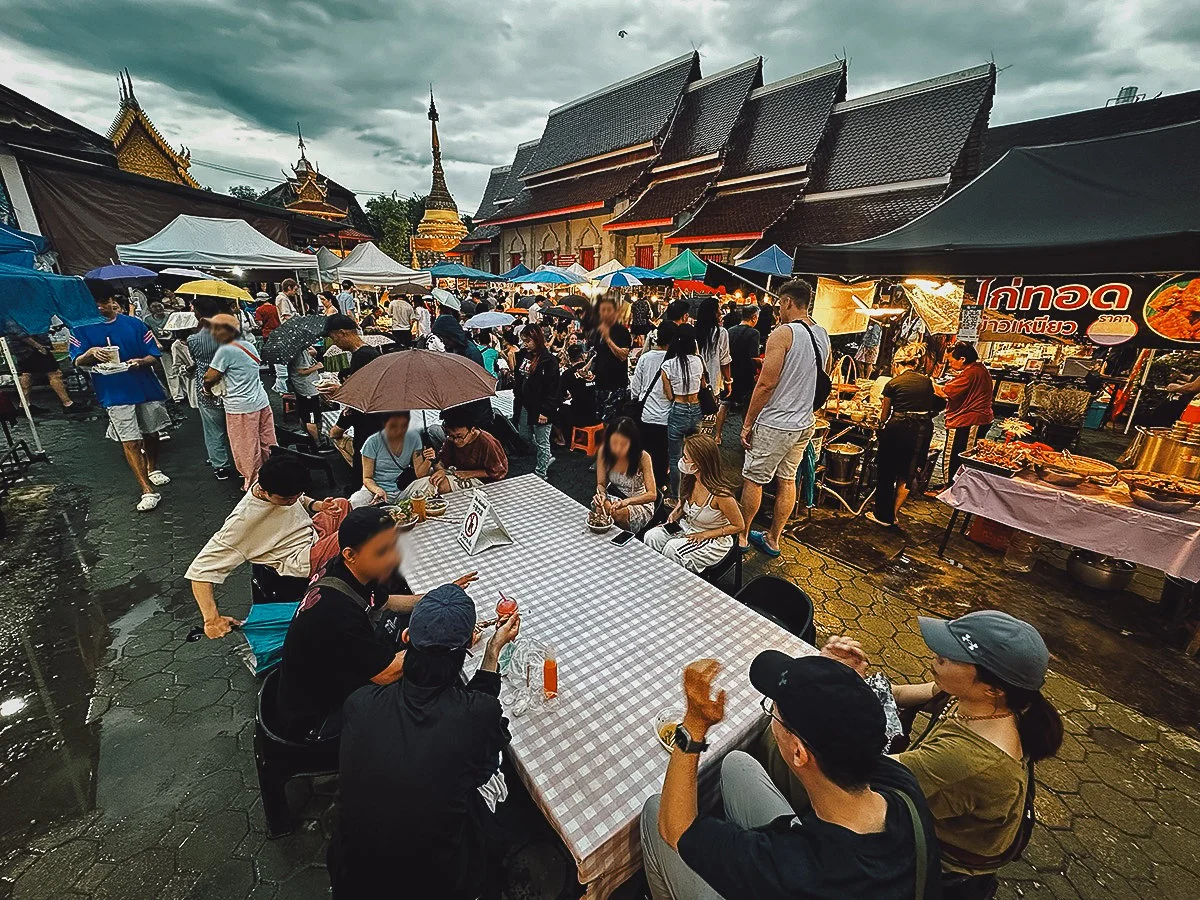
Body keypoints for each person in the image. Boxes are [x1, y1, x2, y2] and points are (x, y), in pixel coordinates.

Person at [640, 653, 940, 900]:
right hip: (820, 852)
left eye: (774, 712)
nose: (772, 717)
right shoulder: (900, 783)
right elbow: (850, 723)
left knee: (656, 812)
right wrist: (840, 687)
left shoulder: (796, 869)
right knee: (737, 764)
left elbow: (675, 827)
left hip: (798, 876)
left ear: (799, 752)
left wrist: (693, 727)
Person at [818, 611, 1062, 897]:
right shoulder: (986, 701)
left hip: (935, 867)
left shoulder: (966, 760)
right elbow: (901, 694)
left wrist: (824, 680)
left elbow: (856, 772)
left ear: (993, 689)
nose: (937, 656)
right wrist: (852, 680)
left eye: (951, 657)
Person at [330, 585, 519, 899]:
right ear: (465, 649)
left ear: (406, 640)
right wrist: (493, 654)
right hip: (436, 883)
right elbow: (481, 744)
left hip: (352, 877)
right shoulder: (475, 716)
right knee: (501, 794)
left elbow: (465, 715)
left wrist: (491, 652)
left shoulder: (359, 703)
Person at [276, 507, 408, 739]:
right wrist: (440, 635)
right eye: (382, 551)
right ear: (350, 554)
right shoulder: (336, 610)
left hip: (310, 684)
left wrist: (435, 597)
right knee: (423, 700)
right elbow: (386, 673)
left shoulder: (347, 570)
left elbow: (385, 602)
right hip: (317, 719)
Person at [186, 452, 349, 638]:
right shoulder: (241, 523)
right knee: (354, 535)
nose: (292, 502)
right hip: (300, 559)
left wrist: (319, 506)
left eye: (294, 496)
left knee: (341, 504)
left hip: (313, 535)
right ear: (264, 491)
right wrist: (211, 619)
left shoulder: (273, 483)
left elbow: (301, 499)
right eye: (286, 500)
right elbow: (200, 571)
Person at [739, 279, 830, 558]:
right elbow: (821, 376)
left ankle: (742, 537)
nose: (779, 308)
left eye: (780, 303)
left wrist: (747, 424)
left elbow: (766, 384)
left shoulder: (782, 334)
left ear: (788, 302)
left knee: (754, 479)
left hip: (776, 422)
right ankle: (773, 538)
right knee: (787, 479)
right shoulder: (823, 333)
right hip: (804, 422)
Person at [69, 293, 172, 511]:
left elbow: (154, 354)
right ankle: (146, 489)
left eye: (103, 301)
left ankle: (153, 467)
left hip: (145, 387)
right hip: (113, 392)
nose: (100, 307)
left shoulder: (135, 324)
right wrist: (90, 353)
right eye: (94, 303)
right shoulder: (79, 328)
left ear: (113, 302)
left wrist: (140, 361)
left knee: (151, 433)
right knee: (130, 441)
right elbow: (77, 360)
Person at [644, 434, 743, 573]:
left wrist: (705, 535)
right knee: (652, 536)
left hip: (712, 538)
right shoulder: (690, 479)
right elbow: (683, 502)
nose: (682, 460)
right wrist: (675, 513)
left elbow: (739, 526)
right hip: (688, 527)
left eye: (685, 457)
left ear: (698, 464)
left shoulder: (721, 495)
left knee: (672, 550)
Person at [869, 345, 939, 527]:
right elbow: (940, 400)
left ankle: (883, 517)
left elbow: (884, 415)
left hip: (899, 428)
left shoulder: (893, 383)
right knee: (907, 472)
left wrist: (879, 424)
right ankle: (894, 514)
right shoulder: (928, 381)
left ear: (896, 364)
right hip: (922, 430)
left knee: (886, 471)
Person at [204, 313, 274, 491]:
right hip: (261, 401)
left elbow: (210, 376)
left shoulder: (226, 350)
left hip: (240, 406)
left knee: (245, 447)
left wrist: (206, 388)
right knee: (267, 441)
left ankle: (254, 484)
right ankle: (272, 475)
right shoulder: (249, 345)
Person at [325, 314, 382, 487]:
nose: (333, 342)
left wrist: (340, 391)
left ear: (342, 333)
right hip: (372, 421)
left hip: (369, 422)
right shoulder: (366, 353)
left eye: (333, 337)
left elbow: (362, 395)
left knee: (364, 472)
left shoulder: (363, 356)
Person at [403, 406, 508, 497]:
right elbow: (441, 460)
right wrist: (440, 469)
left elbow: (498, 471)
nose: (456, 441)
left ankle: (404, 499)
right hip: (457, 472)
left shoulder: (487, 443)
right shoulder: (451, 440)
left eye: (459, 436)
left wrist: (469, 474)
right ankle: (405, 498)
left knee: (438, 485)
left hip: (484, 483)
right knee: (432, 477)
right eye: (451, 436)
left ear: (472, 429)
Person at [935, 343, 994, 485]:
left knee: (957, 455)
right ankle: (953, 485)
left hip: (968, 420)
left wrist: (929, 382)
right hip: (974, 419)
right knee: (960, 454)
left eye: (950, 361)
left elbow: (944, 392)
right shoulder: (978, 368)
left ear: (962, 359)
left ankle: (952, 487)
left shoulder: (971, 373)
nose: (949, 364)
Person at [629, 321, 675, 490]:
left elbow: (635, 387)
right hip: (666, 416)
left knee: (645, 451)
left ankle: (644, 485)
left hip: (646, 414)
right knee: (662, 453)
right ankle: (661, 484)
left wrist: (638, 400)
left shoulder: (645, 358)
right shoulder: (674, 360)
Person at [661, 323, 704, 496]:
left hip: (678, 409)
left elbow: (669, 395)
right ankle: (694, 492)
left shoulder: (668, 365)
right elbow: (702, 385)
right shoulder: (699, 361)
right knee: (695, 454)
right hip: (696, 409)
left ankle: (677, 496)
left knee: (675, 458)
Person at [512, 323, 559, 479]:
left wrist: (546, 410)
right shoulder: (523, 355)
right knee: (524, 434)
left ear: (536, 339)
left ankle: (541, 472)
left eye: (528, 341)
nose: (525, 344)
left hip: (541, 406)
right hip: (525, 403)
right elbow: (519, 377)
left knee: (542, 440)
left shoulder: (549, 361)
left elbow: (553, 388)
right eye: (524, 340)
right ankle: (545, 456)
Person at [596, 416, 657, 531]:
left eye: (623, 444)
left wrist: (627, 502)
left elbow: (652, 494)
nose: (618, 448)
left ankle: (626, 538)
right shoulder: (604, 452)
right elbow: (601, 484)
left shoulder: (642, 457)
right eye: (614, 443)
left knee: (619, 513)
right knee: (601, 508)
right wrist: (602, 497)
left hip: (637, 502)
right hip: (614, 496)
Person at [350, 411, 423, 507]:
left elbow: (420, 473)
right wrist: (377, 490)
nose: (399, 431)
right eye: (393, 426)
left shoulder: (414, 438)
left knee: (433, 484)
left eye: (404, 426)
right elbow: (367, 478)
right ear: (384, 424)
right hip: (377, 491)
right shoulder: (372, 442)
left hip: (404, 488)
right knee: (356, 501)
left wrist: (432, 459)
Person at [3, 318, 76, 413]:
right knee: (54, 373)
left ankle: (24, 406)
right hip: (31, 348)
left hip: (23, 348)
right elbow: (20, 333)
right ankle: (67, 403)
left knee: (27, 374)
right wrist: (39, 346)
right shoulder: (14, 314)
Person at [694, 297, 732, 440]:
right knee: (708, 418)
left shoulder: (694, 331)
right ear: (713, 313)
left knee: (694, 419)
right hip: (712, 384)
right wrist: (728, 382)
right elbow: (725, 361)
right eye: (718, 310)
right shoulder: (721, 333)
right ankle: (702, 447)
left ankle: (692, 446)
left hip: (694, 382)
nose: (720, 313)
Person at [590, 295, 632, 423]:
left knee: (613, 422)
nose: (605, 313)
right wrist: (587, 369)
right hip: (600, 383)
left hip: (616, 385)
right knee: (599, 421)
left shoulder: (622, 332)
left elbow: (623, 355)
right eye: (602, 310)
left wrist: (608, 339)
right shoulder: (598, 331)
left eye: (608, 310)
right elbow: (598, 354)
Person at [726, 305, 761, 409]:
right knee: (745, 404)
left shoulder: (730, 330)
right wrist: (756, 371)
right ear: (754, 317)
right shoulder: (754, 333)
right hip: (745, 373)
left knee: (727, 402)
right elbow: (753, 356)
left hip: (731, 370)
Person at [287, 346, 324, 444]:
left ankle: (308, 438)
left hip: (305, 388)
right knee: (311, 418)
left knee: (304, 413)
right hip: (307, 389)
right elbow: (301, 371)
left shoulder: (301, 349)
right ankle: (317, 444)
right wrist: (317, 366)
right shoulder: (299, 353)